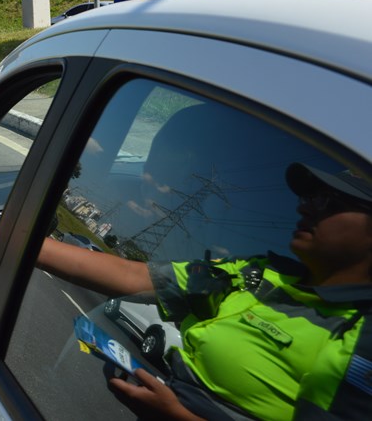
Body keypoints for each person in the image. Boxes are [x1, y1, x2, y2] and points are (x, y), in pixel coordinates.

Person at [38, 162, 372, 421]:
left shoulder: (361, 337)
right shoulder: (256, 272)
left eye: (326, 200)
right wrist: (15, 239)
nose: (303, 207)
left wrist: (178, 416)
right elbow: (133, 275)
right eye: (306, 197)